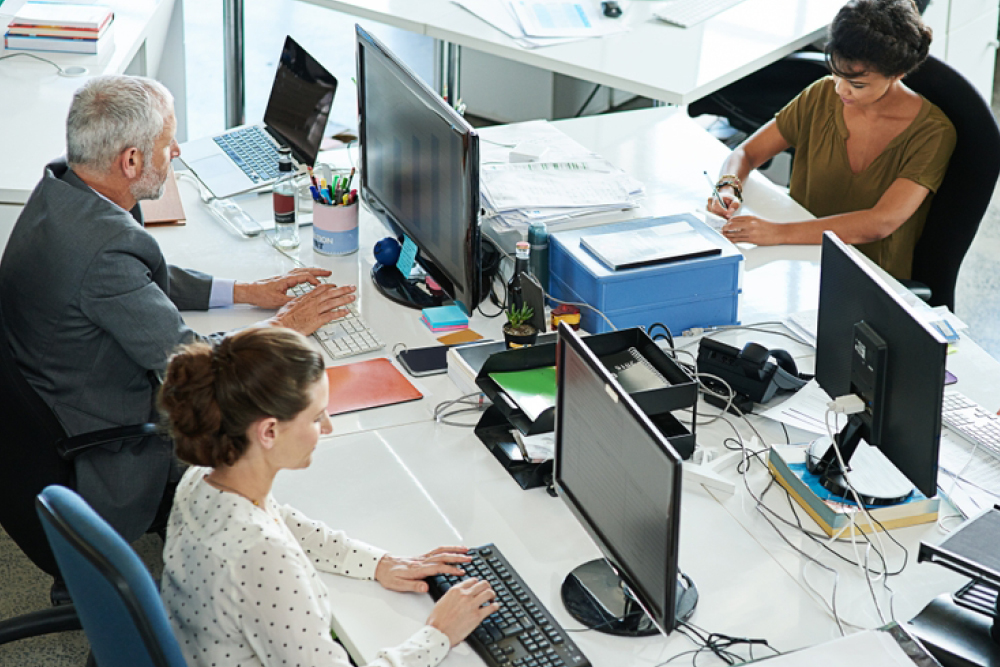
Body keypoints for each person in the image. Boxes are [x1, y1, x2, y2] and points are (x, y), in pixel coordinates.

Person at [0, 75, 356, 542]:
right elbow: (197, 362)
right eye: (168, 143)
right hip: (111, 450)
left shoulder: (63, 190)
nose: (177, 153)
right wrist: (287, 326)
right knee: (286, 427)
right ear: (131, 160)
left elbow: (140, 276)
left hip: (57, 408)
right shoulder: (103, 251)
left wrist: (247, 290)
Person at [157, 327, 499, 667]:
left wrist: (379, 563)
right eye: (317, 416)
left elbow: (282, 520)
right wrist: (437, 634)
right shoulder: (260, 557)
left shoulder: (204, 478)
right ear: (269, 431)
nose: (329, 426)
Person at [707, 0, 956, 281]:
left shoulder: (932, 133)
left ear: (897, 75)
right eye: (836, 73)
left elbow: (880, 222)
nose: (840, 89)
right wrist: (729, 186)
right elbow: (746, 154)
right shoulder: (821, 95)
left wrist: (776, 232)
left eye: (857, 84)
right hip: (796, 263)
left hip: (867, 279)